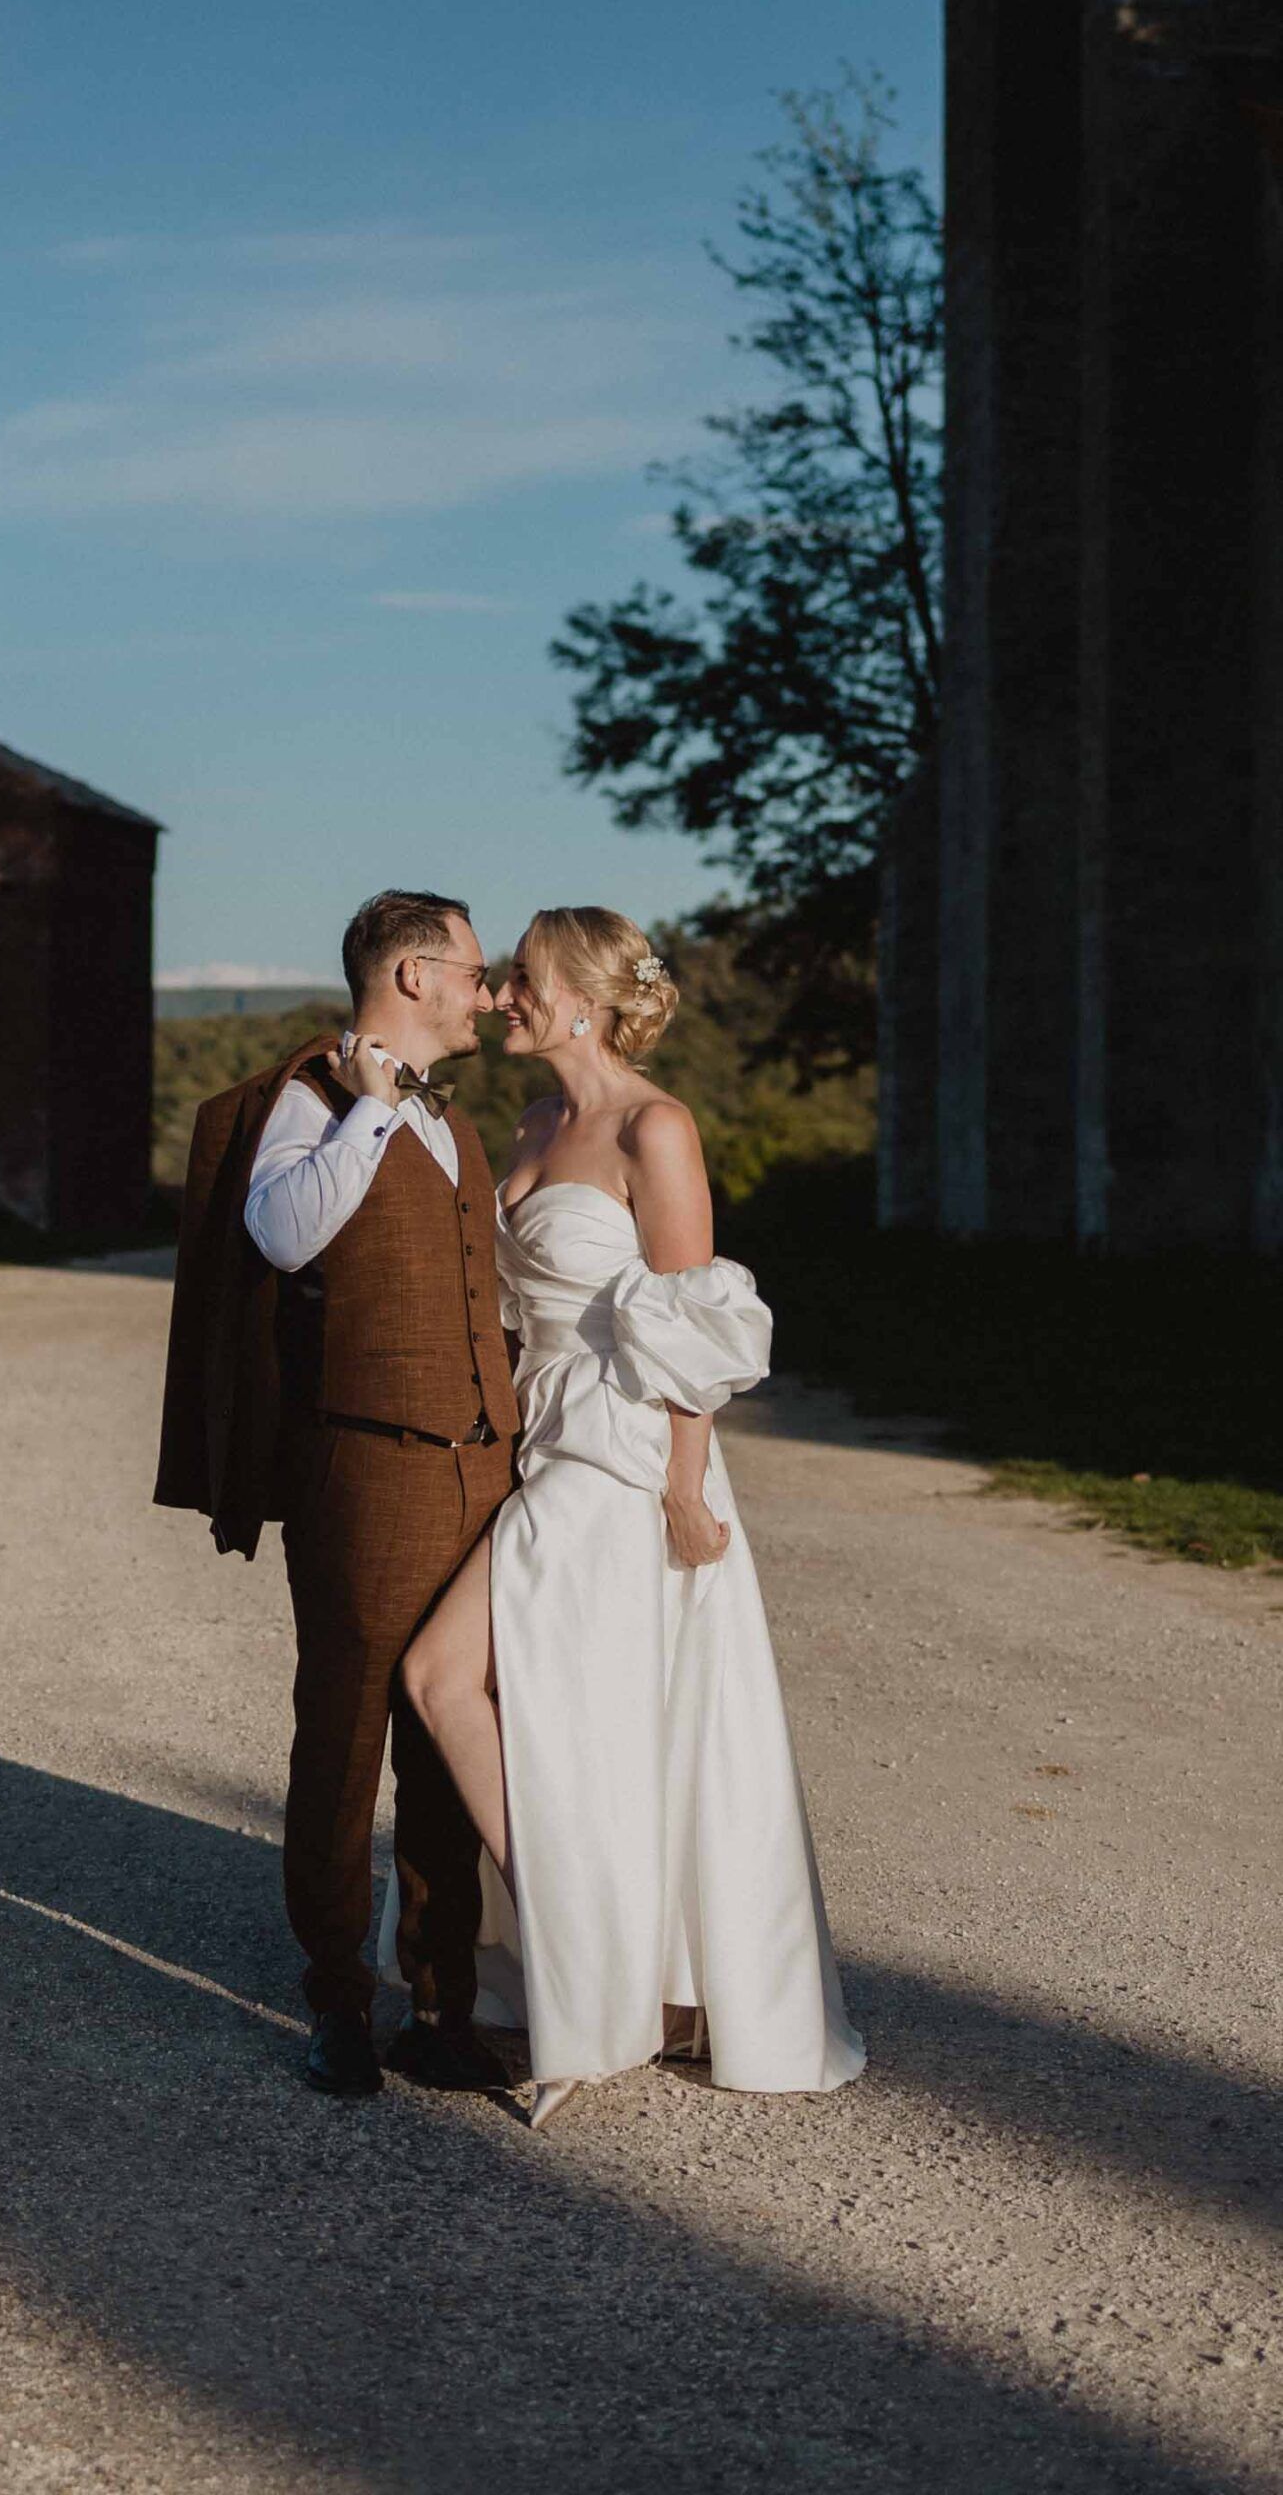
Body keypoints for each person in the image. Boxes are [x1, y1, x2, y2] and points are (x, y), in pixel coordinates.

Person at [396, 905, 866, 2129]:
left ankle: (588, 1962)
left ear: (587, 1001)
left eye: (528, 980)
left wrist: (684, 1489)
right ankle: (600, 1964)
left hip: (618, 1457)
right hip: (542, 1441)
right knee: (581, 1721)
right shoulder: (537, 1120)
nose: (505, 996)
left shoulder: (657, 1125)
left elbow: (692, 1320)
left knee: (444, 1675)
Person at [154, 889, 519, 2098]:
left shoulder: (456, 1128)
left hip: (482, 1466)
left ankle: (442, 2003)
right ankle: (338, 2004)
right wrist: (365, 1113)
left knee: (450, 1732)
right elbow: (283, 1233)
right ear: (413, 975)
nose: (486, 989)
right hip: (364, 1465)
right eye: (473, 969)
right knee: (348, 1731)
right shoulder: (313, 1099)